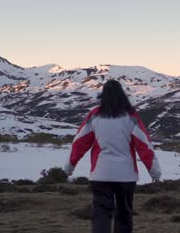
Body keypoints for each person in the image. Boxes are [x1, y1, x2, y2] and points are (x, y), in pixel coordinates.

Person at [64, 79, 161, 233]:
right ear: (122, 95)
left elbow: (79, 143)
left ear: (103, 96)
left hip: (101, 175)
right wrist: (154, 172)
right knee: (124, 214)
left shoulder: (94, 115)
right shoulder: (131, 116)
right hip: (126, 176)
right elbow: (144, 146)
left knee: (101, 215)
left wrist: (70, 167)